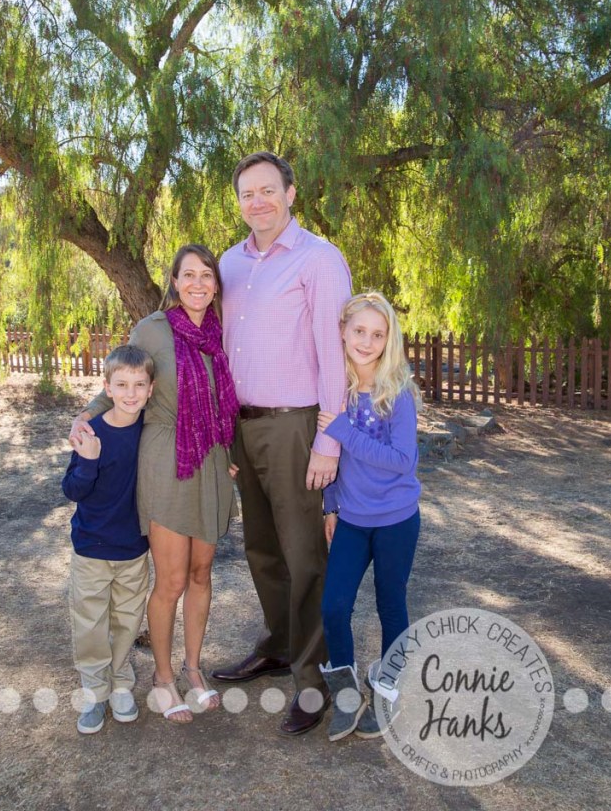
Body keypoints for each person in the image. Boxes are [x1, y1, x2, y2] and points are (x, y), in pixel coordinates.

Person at [211, 152, 352, 736]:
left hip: (297, 427)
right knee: (262, 548)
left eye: (268, 190)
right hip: (242, 426)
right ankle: (275, 644)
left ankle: (313, 680)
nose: (258, 202)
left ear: (291, 194)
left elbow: (334, 356)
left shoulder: (320, 260)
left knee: (304, 556)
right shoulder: (229, 263)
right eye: (247, 193)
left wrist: (328, 440)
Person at [70, 244, 239, 725]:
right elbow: (125, 379)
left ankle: (192, 668)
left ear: (216, 284)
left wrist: (235, 457)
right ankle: (163, 677)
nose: (198, 283)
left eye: (207, 275)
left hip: (213, 459)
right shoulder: (153, 329)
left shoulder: (223, 331)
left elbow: (232, 401)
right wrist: (88, 413)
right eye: (189, 275)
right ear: (175, 280)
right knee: (170, 579)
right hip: (167, 457)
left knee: (202, 573)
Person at [318, 292, 421, 742]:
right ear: (342, 331)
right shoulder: (333, 390)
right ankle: (345, 694)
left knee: (390, 603)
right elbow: (330, 457)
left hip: (397, 518)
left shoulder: (396, 393)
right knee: (334, 605)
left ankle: (388, 690)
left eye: (377, 334)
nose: (366, 340)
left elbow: (402, 459)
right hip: (354, 519)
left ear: (388, 340)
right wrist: (331, 504)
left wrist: (342, 428)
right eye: (359, 330)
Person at [62, 344, 155, 734]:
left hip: (133, 547)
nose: (130, 393)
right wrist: (89, 460)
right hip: (92, 547)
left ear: (151, 389)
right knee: (89, 621)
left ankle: (120, 683)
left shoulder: (152, 433)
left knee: (127, 620)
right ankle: (94, 691)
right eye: (122, 385)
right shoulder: (91, 431)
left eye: (139, 385)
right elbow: (72, 490)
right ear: (107, 387)